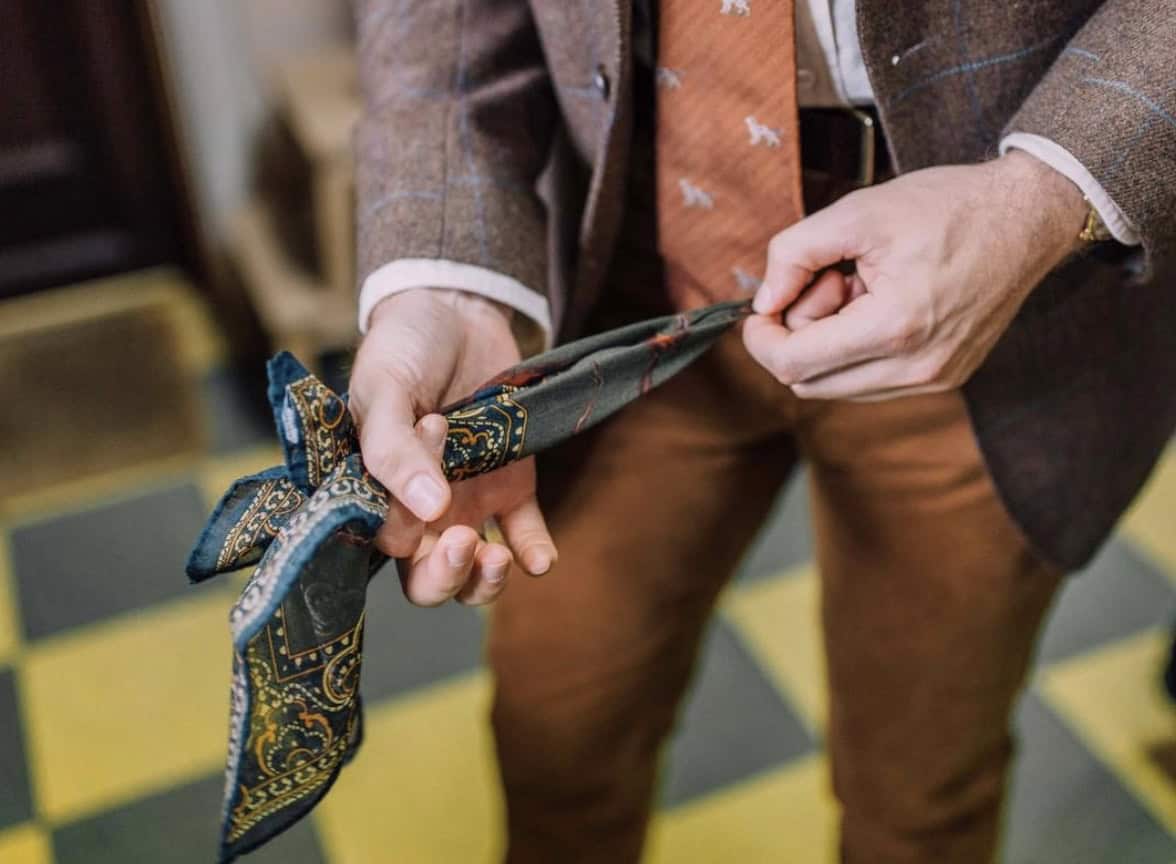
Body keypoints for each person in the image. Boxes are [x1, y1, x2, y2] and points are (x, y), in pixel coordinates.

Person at [346, 1, 1176, 861]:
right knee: (558, 736)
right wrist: (448, 283)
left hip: (990, 279)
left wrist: (1040, 198)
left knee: (922, 796)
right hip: (633, 271)